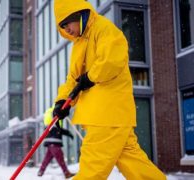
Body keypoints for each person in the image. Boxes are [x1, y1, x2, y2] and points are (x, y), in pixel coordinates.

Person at [52, 0, 166, 179]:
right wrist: (62, 101)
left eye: (66, 23)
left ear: (77, 15)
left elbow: (112, 61)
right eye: (61, 26)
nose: (66, 29)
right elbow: (73, 80)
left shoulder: (104, 29)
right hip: (113, 117)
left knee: (92, 169)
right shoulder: (79, 44)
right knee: (133, 162)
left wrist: (90, 77)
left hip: (106, 114)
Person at [38, 106, 75, 178]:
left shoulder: (49, 114)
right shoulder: (55, 115)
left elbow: (60, 130)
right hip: (54, 142)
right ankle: (66, 173)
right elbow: (61, 130)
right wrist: (69, 134)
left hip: (50, 142)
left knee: (47, 158)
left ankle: (41, 171)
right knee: (60, 157)